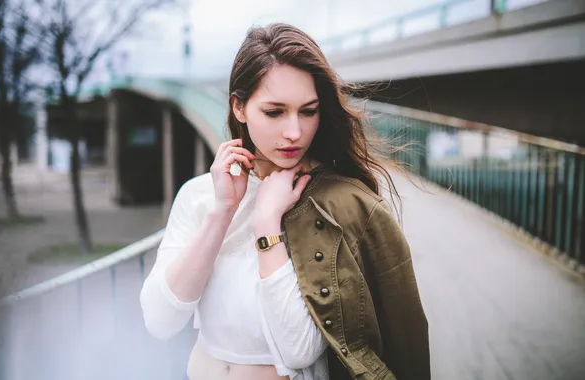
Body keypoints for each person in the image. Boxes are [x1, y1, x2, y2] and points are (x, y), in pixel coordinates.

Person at [140, 23, 430, 380]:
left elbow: (298, 350)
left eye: (308, 111)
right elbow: (160, 321)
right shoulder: (200, 196)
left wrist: (267, 226)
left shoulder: (340, 204)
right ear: (239, 107)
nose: (294, 132)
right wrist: (222, 212)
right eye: (275, 112)